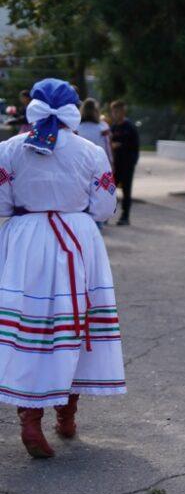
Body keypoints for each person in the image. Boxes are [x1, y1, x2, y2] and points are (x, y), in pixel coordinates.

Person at [0, 78, 125, 458]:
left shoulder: (8, 149)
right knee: (74, 321)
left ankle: (29, 416)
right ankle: (66, 414)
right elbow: (105, 207)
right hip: (76, 239)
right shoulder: (90, 151)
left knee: (33, 324)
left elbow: (2, 204)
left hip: (26, 241)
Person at [108, 100, 139, 226]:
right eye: (113, 111)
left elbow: (134, 146)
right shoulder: (113, 127)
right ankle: (106, 214)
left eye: (117, 111)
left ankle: (125, 216)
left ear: (122, 111)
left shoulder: (130, 127)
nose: (114, 114)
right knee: (109, 190)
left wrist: (131, 161)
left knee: (126, 191)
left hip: (127, 164)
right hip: (115, 165)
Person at [77, 98, 113, 164]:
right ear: (96, 111)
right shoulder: (103, 127)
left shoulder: (76, 128)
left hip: (80, 165)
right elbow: (107, 148)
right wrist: (111, 163)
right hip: (99, 164)